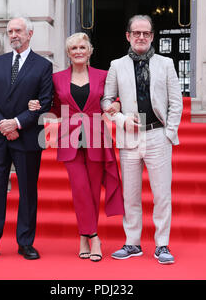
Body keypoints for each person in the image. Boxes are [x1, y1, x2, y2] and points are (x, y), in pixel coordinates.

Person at [28, 32, 124, 262]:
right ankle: (94, 236)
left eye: (82, 47)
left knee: (92, 191)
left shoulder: (103, 76)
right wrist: (38, 105)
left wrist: (117, 104)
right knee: (79, 188)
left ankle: (84, 237)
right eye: (74, 49)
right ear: (68, 54)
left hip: (97, 136)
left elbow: (115, 98)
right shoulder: (57, 78)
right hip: (69, 138)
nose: (79, 52)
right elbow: (54, 106)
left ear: (90, 51)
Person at [0, 17, 53, 262]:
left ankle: (25, 243)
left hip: (26, 137)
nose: (13, 34)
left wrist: (16, 123)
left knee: (27, 191)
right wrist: (3, 125)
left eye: (18, 30)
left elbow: (44, 102)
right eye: (10, 31)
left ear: (30, 34)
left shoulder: (42, 66)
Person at [101, 15, 183, 264]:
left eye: (146, 33)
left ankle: (162, 245)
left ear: (152, 36)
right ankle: (132, 243)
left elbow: (175, 103)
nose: (141, 37)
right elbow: (106, 101)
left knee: (161, 194)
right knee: (131, 194)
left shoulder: (166, 64)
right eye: (136, 33)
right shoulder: (116, 65)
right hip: (129, 137)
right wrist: (121, 120)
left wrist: (169, 133)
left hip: (158, 134)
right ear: (128, 36)